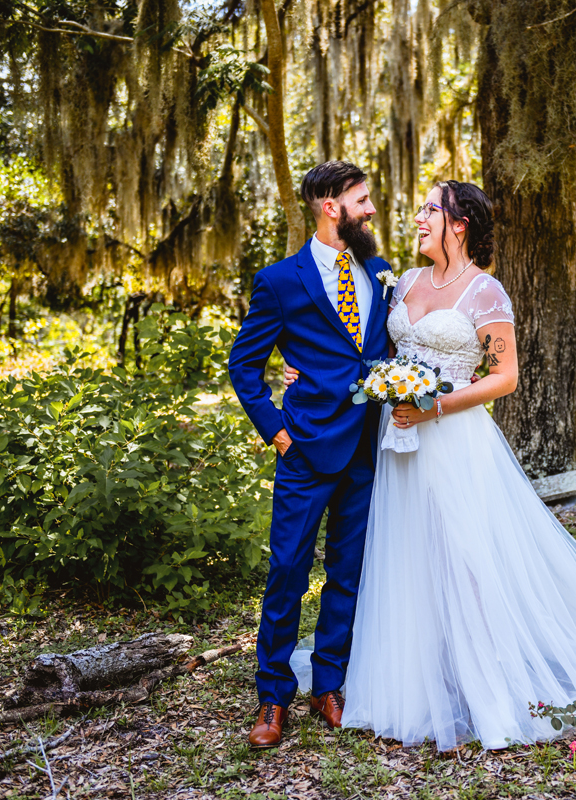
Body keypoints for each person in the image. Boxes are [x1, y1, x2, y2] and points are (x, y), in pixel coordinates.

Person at [287, 180, 576, 750]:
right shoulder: (400, 282)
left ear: (459, 225)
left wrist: (433, 405)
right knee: (404, 552)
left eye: (430, 210)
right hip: (397, 442)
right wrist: (301, 374)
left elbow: (504, 378)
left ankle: (478, 677)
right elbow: (362, 351)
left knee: (465, 556)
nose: (418, 218)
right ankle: (411, 671)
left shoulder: (487, 293)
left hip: (455, 441)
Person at [227, 160, 392, 748]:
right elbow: (243, 365)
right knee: (289, 572)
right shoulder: (280, 281)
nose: (371, 210)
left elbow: (383, 349)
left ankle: (330, 684)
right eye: (363, 200)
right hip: (303, 449)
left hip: (366, 449)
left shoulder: (378, 271)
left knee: (346, 573)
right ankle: (272, 699)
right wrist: (277, 430)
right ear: (332, 206)